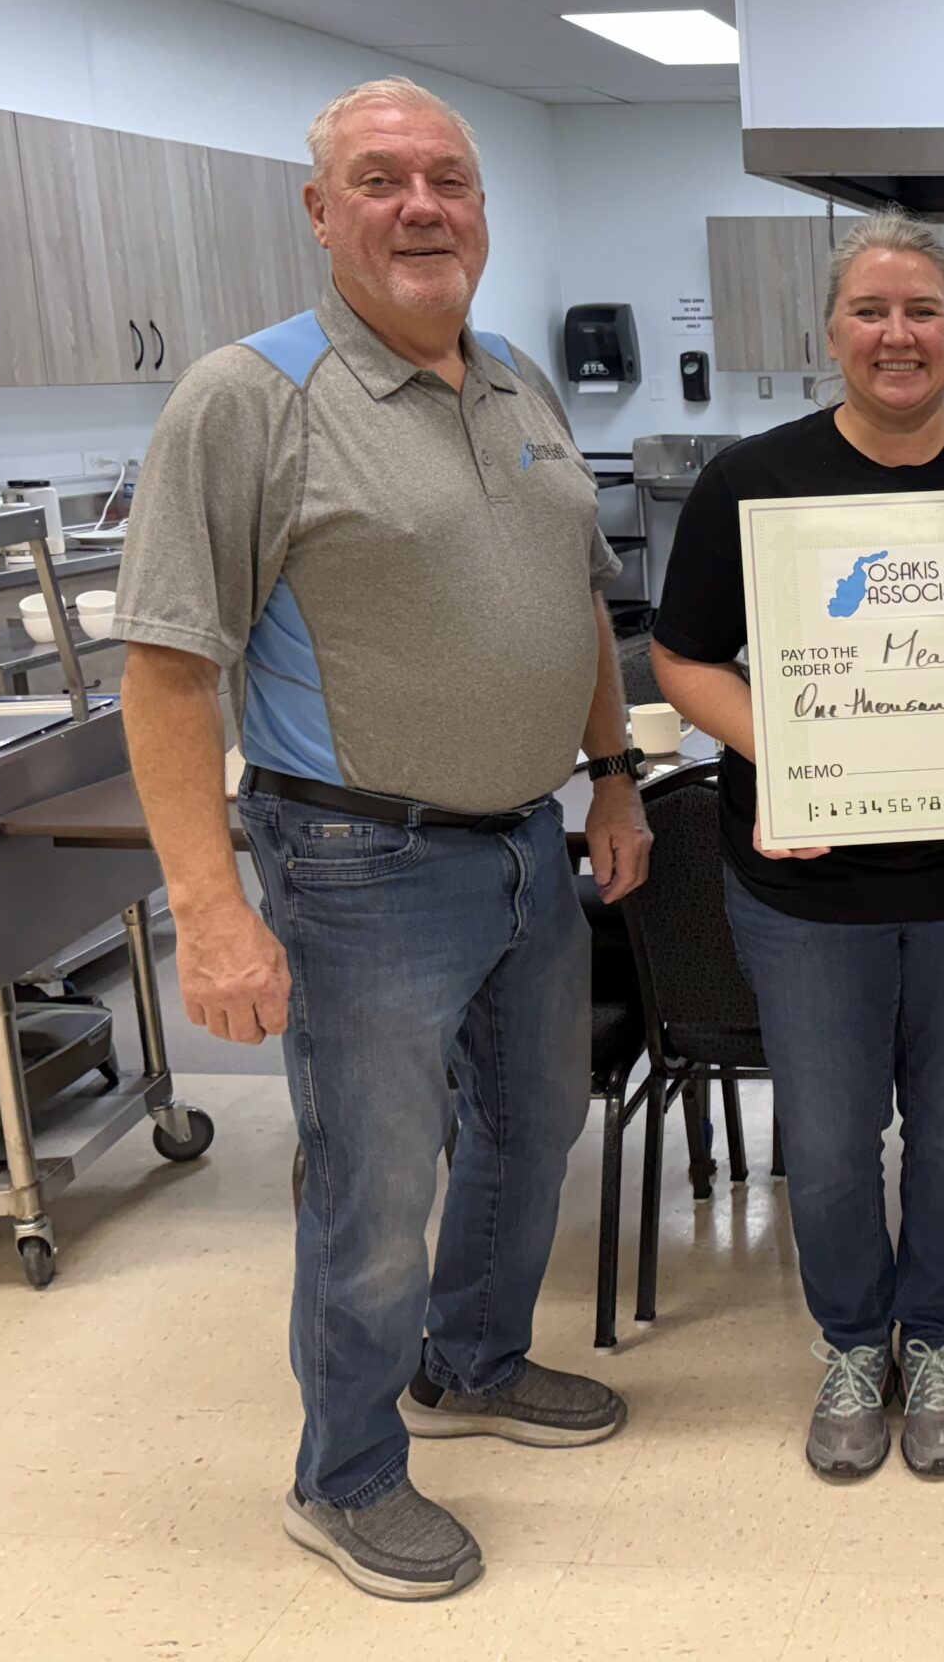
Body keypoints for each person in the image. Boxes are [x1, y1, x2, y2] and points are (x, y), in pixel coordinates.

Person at [114, 78, 646, 1601]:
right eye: (381, 179)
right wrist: (208, 911)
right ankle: (343, 1473)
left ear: (483, 209)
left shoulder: (521, 383)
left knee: (537, 1128)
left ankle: (470, 1361)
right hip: (359, 868)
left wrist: (611, 774)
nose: (422, 205)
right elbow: (168, 669)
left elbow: (574, 607)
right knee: (372, 1182)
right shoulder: (249, 396)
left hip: (526, 849)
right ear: (321, 211)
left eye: (449, 180)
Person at [651, 211, 944, 1485]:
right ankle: (853, 1344)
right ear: (831, 333)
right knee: (834, 1139)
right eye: (869, 311)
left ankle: (936, 1337)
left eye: (920, 312)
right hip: (805, 884)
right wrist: (790, 757)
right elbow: (682, 658)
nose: (896, 335)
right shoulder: (752, 481)